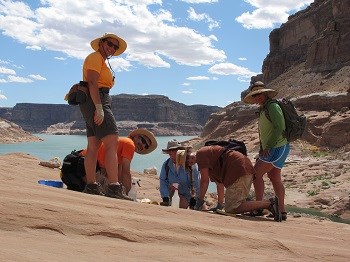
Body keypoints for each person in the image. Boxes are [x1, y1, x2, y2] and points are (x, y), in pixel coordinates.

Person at [78, 32, 130, 200]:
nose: (112, 48)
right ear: (101, 43)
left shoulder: (101, 61)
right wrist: (99, 107)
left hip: (92, 101)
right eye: (109, 44)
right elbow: (92, 83)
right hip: (97, 99)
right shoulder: (94, 57)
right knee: (112, 141)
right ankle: (114, 187)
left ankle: (91, 185)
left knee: (94, 144)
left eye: (115, 47)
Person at [188, 145, 282, 222]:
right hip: (243, 169)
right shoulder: (210, 158)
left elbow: (204, 181)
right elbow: (219, 184)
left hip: (239, 171)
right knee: (234, 205)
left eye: (188, 157)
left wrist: (199, 202)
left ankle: (269, 204)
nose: (189, 160)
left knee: (232, 208)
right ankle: (266, 205)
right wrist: (219, 205)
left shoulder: (201, 154)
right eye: (187, 161)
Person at [243, 81, 290, 221]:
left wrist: (268, 147)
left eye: (260, 94)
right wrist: (263, 148)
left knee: (255, 175)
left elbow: (279, 127)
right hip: (275, 148)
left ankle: (259, 207)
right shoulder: (264, 109)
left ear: (265, 93)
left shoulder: (273, 106)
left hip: (277, 147)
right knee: (274, 178)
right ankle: (281, 211)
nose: (258, 97)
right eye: (255, 95)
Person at [93, 129, 157, 195]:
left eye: (146, 146)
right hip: (91, 169)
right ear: (136, 136)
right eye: (143, 141)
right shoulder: (129, 144)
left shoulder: (123, 144)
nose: (143, 145)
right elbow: (125, 172)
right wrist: (128, 194)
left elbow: (119, 175)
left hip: (92, 167)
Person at [159, 140, 200, 209]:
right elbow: (163, 181)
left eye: (174, 151)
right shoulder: (166, 165)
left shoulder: (190, 164)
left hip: (189, 195)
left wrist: (194, 198)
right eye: (170, 152)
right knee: (182, 205)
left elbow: (196, 182)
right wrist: (165, 197)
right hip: (174, 194)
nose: (172, 154)